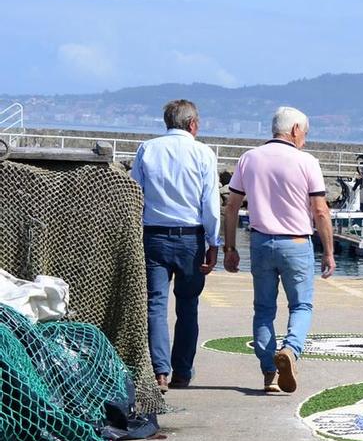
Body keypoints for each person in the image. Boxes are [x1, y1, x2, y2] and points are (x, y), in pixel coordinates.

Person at [221, 106, 335, 394]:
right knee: (301, 305)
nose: (305, 140)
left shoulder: (249, 158)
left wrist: (230, 247)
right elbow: (320, 210)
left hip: (261, 241)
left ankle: (269, 372)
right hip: (296, 242)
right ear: (295, 130)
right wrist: (329, 251)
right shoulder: (306, 161)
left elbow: (232, 206)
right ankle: (291, 350)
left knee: (263, 310)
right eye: (305, 133)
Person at [130, 98, 220, 390]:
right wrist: (214, 241)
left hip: (153, 235)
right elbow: (210, 203)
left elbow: (134, 194)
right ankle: (182, 370)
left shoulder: (148, 149)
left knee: (155, 304)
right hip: (190, 238)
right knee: (188, 305)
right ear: (192, 124)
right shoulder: (203, 153)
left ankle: (160, 371)